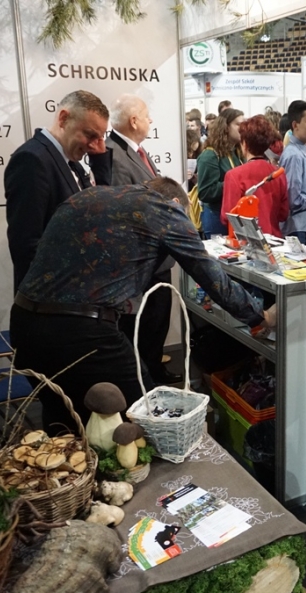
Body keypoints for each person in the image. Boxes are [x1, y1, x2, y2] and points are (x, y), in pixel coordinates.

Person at [9, 177, 276, 434]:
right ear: (175, 202)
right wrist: (258, 315)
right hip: (83, 331)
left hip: (24, 322)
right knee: (148, 419)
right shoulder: (163, 210)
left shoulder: (89, 195)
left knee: (64, 424)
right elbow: (209, 275)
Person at [89, 94, 181, 386]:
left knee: (156, 323)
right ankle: (145, 384)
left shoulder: (135, 151)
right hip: (140, 262)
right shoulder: (115, 155)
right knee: (143, 327)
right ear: (133, 120)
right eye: (146, 115)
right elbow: (124, 213)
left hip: (156, 259)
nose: (150, 120)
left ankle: (154, 373)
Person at [4, 90, 108, 292]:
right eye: (89, 135)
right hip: (52, 298)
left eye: (99, 137)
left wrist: (100, 160)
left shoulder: (69, 161)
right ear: (63, 119)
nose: (94, 144)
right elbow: (26, 246)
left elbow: (99, 210)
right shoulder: (32, 160)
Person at [220, 116, 289, 237]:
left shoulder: (234, 175)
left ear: (244, 144)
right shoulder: (278, 174)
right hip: (275, 238)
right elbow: (283, 214)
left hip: (246, 240)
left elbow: (227, 217)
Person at [90, 94, 158, 186]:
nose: (150, 120)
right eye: (146, 116)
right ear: (134, 122)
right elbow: (121, 195)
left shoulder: (136, 149)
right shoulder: (113, 158)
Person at [196, 108, 244, 237]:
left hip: (235, 216)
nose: (242, 128)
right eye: (238, 124)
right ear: (226, 127)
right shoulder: (209, 155)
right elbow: (205, 192)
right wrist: (233, 183)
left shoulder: (237, 153)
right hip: (216, 218)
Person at [281, 100, 306, 244]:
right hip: (297, 228)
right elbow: (294, 199)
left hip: (305, 225)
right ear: (295, 125)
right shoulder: (294, 155)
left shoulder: (302, 153)